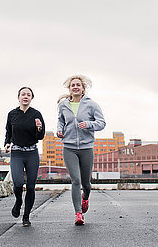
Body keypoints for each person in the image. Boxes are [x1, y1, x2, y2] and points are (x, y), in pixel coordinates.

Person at [56, 74, 106, 225]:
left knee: (86, 184)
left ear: (83, 89)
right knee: (75, 181)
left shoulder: (92, 105)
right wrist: (59, 131)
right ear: (69, 89)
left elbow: (102, 123)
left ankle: (85, 198)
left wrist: (89, 125)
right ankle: (78, 214)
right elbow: (60, 120)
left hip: (86, 148)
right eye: (73, 85)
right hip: (69, 147)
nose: (75, 87)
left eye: (78, 85)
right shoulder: (63, 105)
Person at [4, 86, 45, 227]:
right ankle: (18, 200)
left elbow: (41, 136)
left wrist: (39, 128)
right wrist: (7, 143)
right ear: (19, 97)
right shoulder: (12, 114)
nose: (25, 96)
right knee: (18, 184)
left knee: (31, 186)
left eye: (28, 94)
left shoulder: (36, 114)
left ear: (31, 98)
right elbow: (8, 131)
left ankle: (26, 216)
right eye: (23, 94)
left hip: (32, 153)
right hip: (16, 152)